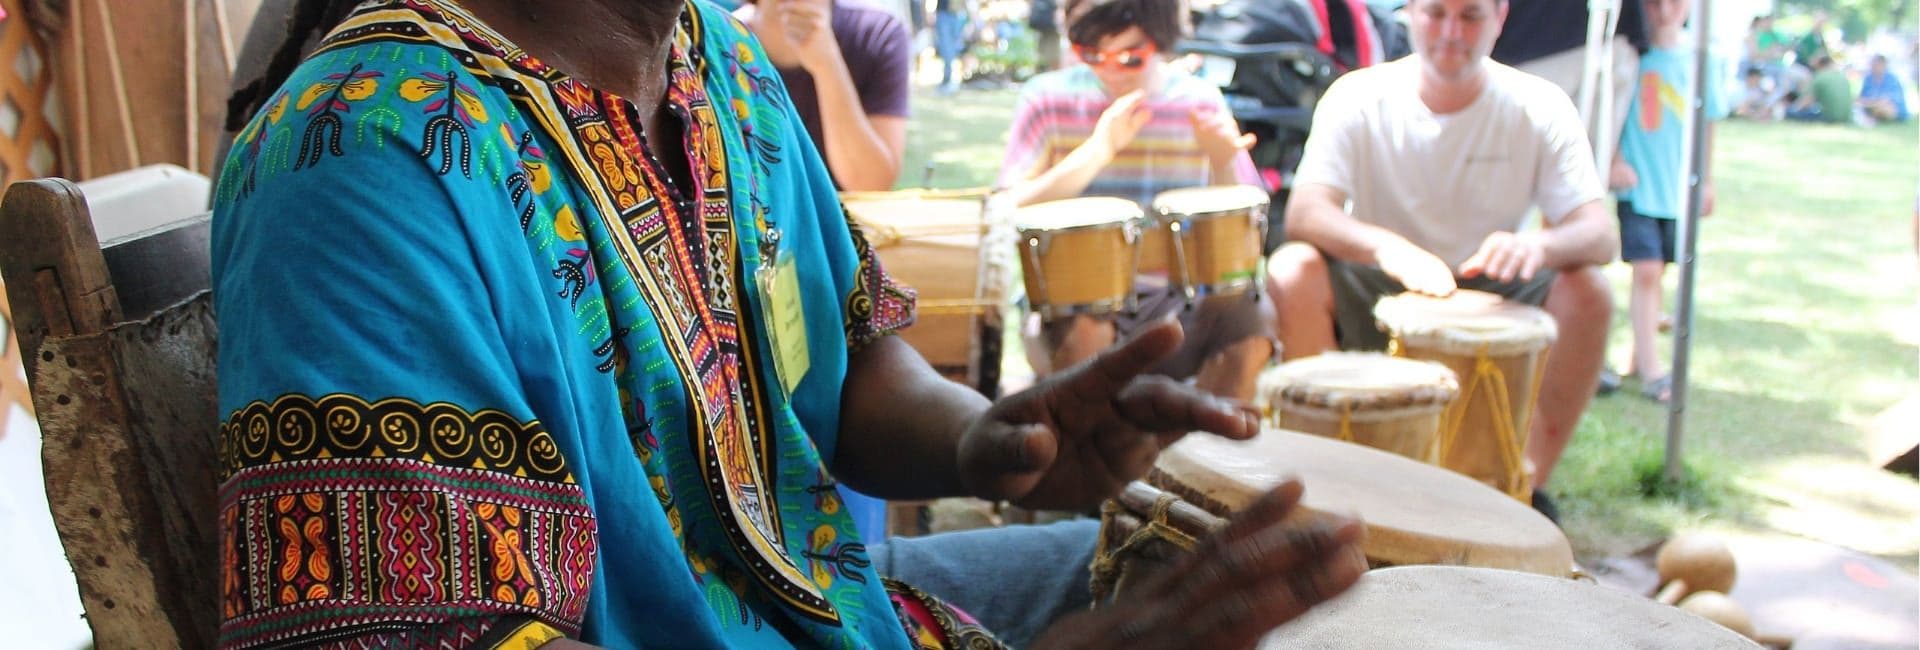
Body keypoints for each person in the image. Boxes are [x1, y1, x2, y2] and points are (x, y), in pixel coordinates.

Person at [210, 1, 1366, 648]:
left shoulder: (722, 63)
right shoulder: (366, 155)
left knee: (1272, 582)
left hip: (845, 608)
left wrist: (990, 439)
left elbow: (850, 354)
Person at [1264, 0, 1618, 523]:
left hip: (1491, 287)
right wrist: (1386, 247)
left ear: (1500, 17)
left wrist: (1538, 247)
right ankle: (1334, 469)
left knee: (1591, 290)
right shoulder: (1360, 94)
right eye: (1436, 14)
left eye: (1470, 16)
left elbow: (1599, 235)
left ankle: (1523, 488)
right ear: (1410, 14)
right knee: (1292, 269)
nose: (1452, 32)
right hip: (1382, 282)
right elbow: (1307, 213)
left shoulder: (1538, 102)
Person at [997, 0, 1273, 402]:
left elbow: (1242, 219)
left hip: (1181, 301)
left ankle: (1213, 453)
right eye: (1091, 54)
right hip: (1075, 302)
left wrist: (1221, 159)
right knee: (1086, 333)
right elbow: (1007, 208)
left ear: (1160, 43)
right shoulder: (1048, 98)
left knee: (1253, 320)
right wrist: (1098, 151)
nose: (1110, 69)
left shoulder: (1197, 101)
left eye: (1130, 57)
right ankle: (1091, 456)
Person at [1609, 0, 1728, 403]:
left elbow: (1707, 124)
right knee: (1646, 270)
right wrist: (1614, 159)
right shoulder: (1629, 56)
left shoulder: (1701, 61)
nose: (1663, 11)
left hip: (1677, 190)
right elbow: (1612, 113)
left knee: (1659, 273)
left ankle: (1636, 353)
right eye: (1654, 2)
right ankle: (1653, 371)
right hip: (1638, 185)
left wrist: (1706, 181)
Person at [736, 0, 913, 190]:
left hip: (840, 217)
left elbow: (870, 184)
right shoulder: (714, 40)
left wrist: (826, 63)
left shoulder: (877, 33)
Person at [1786, 55, 1853, 123]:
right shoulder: (1841, 77)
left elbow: (1806, 101)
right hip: (1846, 118)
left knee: (1790, 114)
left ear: (1819, 64)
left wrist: (1791, 110)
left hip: (1829, 118)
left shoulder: (1820, 77)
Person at [1859, 54, 1911, 124]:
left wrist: (1870, 102)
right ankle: (1870, 118)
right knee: (1860, 105)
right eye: (1872, 65)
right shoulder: (1868, 78)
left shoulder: (1892, 79)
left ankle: (1872, 119)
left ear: (1883, 65)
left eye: (1876, 65)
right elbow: (1861, 98)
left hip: (1894, 109)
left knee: (1882, 108)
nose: (1873, 67)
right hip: (1872, 105)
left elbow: (1886, 100)